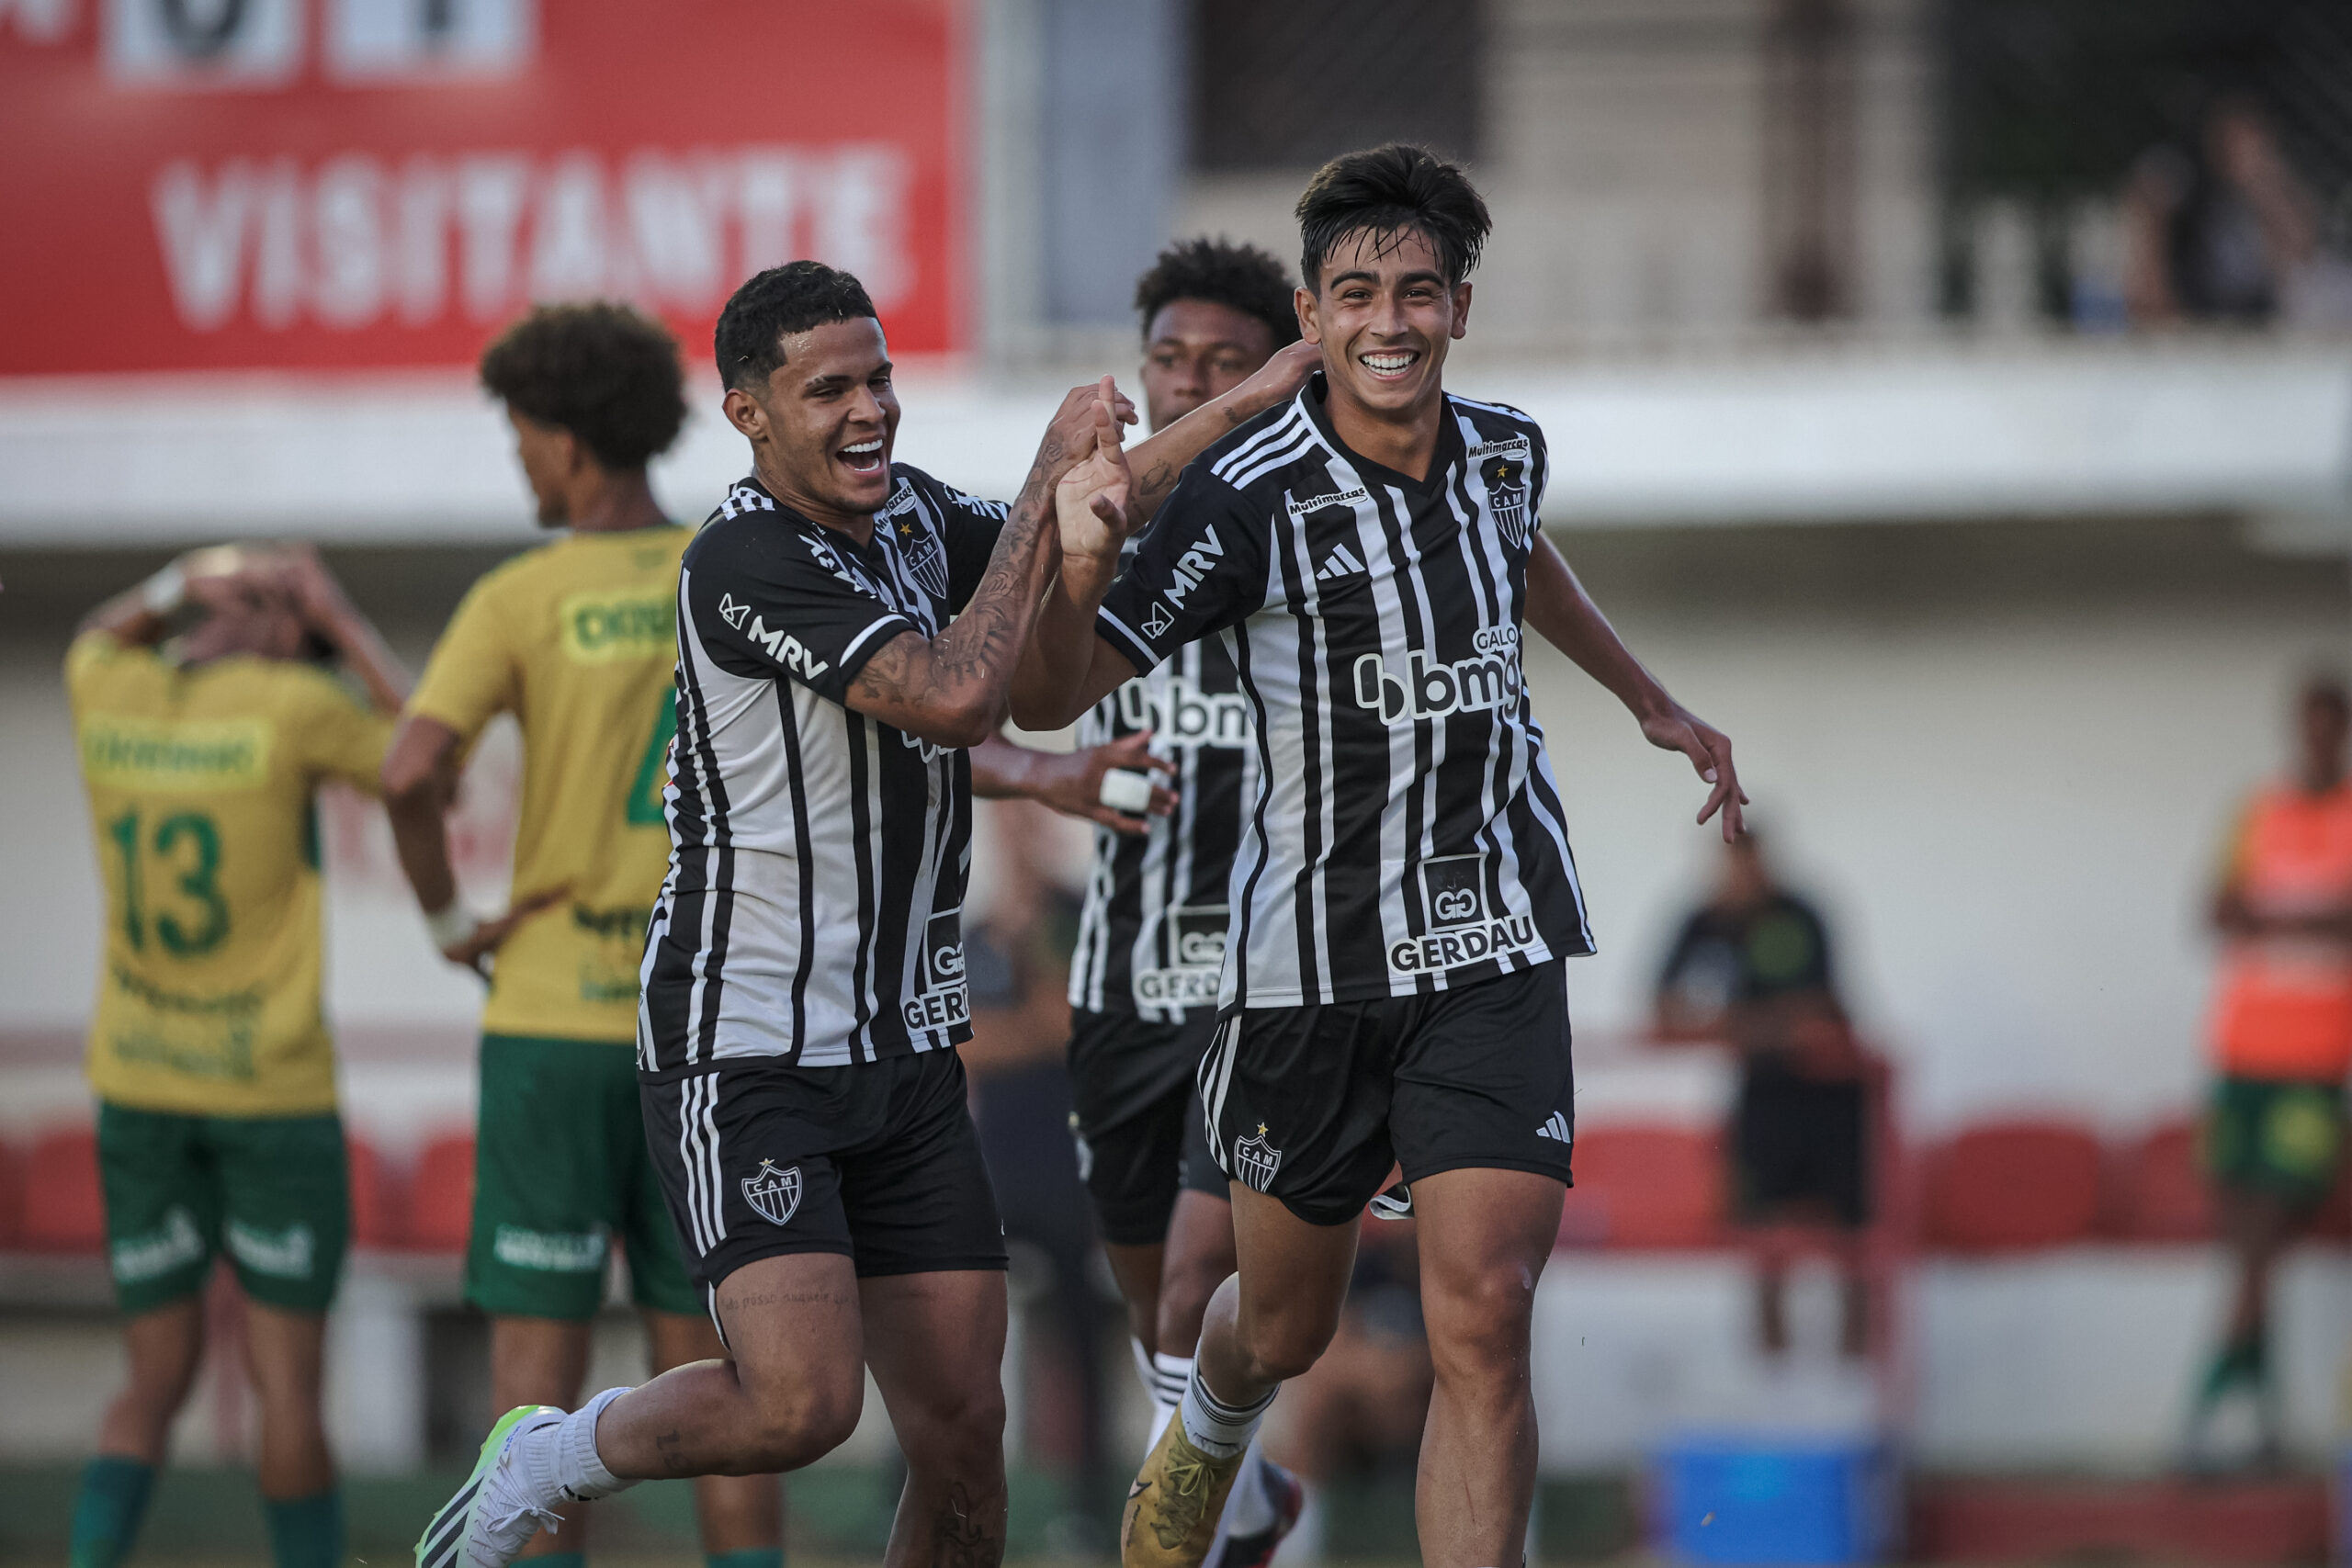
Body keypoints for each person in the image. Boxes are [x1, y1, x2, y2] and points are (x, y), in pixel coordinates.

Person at [413, 259, 1314, 1568]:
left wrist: (1272, 391)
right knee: (800, 1402)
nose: (867, 409)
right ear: (748, 413)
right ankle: (545, 1453)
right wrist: (1049, 489)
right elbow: (956, 693)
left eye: (878, 377)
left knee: (962, 1428)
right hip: (751, 1046)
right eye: (825, 387)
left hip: (902, 1052)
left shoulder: (908, 519)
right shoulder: (742, 555)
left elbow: (1064, 521)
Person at [1013, 143, 1745, 1568]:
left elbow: (1522, 551)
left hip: (1498, 935)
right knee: (1280, 1322)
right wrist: (1083, 564)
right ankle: (1220, 1421)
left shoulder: (1507, 447)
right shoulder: (1249, 495)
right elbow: (1050, 695)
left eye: (1419, 289)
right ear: (1313, 311)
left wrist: (1647, 695)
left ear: (1462, 305)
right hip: (1308, 970)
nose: (1390, 320)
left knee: (1484, 1304)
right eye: (1358, 293)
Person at [381, 301, 787, 1568]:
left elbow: (408, 772)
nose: (517, 456)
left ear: (563, 437)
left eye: (520, 430)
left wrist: (453, 923)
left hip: (551, 1026)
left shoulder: (521, 592)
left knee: (532, 1408)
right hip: (705, 1031)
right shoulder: (720, 565)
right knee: (728, 1389)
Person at [63, 544, 408, 1568]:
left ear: (270, 635)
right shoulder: (289, 707)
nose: (224, 608)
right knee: (276, 1387)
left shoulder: (116, 688)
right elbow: (418, 748)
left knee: (157, 1380)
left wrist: (176, 585)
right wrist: (334, 617)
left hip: (141, 1083)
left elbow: (95, 636)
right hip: (268, 1090)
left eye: (253, 600)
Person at [1064, 237, 1315, 1568]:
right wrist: (1043, 778)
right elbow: (969, 702)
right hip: (1118, 982)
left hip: (1258, 980)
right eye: (1174, 359)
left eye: (1229, 362)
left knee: (1188, 1286)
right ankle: (1256, 1499)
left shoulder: (1302, 513)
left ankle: (1197, 1543)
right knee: (1151, 1314)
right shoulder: (1082, 525)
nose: (1196, 382)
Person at [2187, 672, 2352, 1468]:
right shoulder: (2258, 812)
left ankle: (2209, 1400)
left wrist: (2275, 913)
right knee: (2248, 1243)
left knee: (2270, 1231)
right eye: (2308, 725)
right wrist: (2316, 915)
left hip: (2315, 1063)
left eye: (2331, 725)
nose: (2317, 738)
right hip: (2241, 1053)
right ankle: (2259, 1423)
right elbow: (2213, 910)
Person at [1654, 829, 1871, 1360]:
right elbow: (1661, 1012)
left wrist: (1729, 1026)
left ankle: (1853, 1376)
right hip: (1762, 1098)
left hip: (1834, 1099)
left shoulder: (1800, 914)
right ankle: (1775, 1384)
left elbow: (1817, 1011)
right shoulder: (1703, 922)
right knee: (1762, 1244)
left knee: (1854, 1248)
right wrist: (1757, 1028)